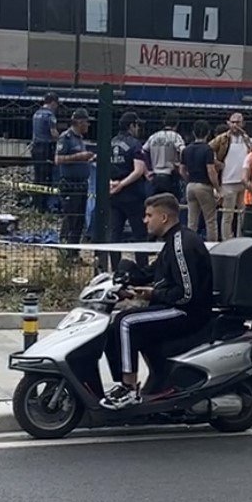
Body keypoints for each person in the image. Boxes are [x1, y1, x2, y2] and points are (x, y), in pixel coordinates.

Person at [101, 193, 213, 409]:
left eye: (149, 215)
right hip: (175, 307)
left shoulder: (182, 244)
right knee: (114, 326)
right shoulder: (173, 241)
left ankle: (129, 389)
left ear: (163, 217)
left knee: (126, 322)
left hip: (187, 313)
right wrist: (127, 278)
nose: (145, 220)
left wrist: (153, 294)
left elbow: (186, 294)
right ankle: (145, 380)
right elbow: (152, 273)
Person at [108, 112, 148, 270]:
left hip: (114, 195)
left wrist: (112, 184)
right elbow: (139, 170)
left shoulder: (110, 143)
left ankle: (116, 269)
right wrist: (122, 184)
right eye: (137, 125)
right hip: (133, 195)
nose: (138, 129)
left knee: (114, 233)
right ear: (132, 126)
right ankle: (143, 269)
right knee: (139, 234)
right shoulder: (135, 144)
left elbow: (102, 166)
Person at [55, 108, 95, 254]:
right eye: (86, 122)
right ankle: (66, 252)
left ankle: (74, 254)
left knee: (78, 221)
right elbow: (58, 159)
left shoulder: (79, 139)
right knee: (71, 219)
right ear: (79, 122)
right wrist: (79, 157)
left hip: (81, 184)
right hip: (70, 184)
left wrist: (88, 158)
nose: (88, 125)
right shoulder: (65, 138)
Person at [210, 112, 252, 240]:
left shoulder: (246, 138)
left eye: (238, 122)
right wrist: (217, 163)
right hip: (228, 181)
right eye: (233, 122)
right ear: (228, 123)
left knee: (242, 213)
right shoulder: (223, 138)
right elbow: (208, 149)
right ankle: (226, 239)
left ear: (243, 124)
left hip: (243, 181)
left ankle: (240, 238)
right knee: (228, 214)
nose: (235, 125)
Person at [180, 119, 219, 242]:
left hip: (191, 185)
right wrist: (217, 188)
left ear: (193, 133)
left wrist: (188, 180)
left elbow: (182, 170)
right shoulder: (207, 150)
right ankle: (212, 247)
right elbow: (211, 170)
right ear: (208, 133)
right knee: (210, 220)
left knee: (192, 220)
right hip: (204, 186)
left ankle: (190, 244)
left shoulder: (186, 149)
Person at [143, 111, 184, 197]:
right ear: (177, 124)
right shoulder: (175, 136)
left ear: (164, 122)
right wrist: (179, 164)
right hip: (170, 177)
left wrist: (148, 169)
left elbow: (143, 152)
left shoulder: (153, 136)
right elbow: (183, 151)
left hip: (154, 177)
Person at [31, 93, 59, 213]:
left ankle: (36, 203)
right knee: (46, 177)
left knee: (37, 176)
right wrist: (61, 139)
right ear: (53, 102)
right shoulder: (50, 115)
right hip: (46, 148)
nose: (56, 107)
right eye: (56, 104)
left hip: (36, 147)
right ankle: (43, 206)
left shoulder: (36, 113)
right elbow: (53, 133)